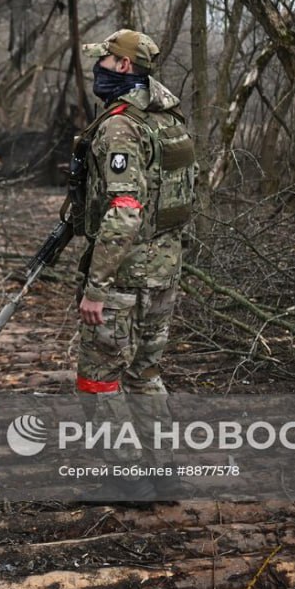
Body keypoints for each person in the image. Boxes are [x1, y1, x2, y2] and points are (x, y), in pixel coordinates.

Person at [70, 29, 197, 499]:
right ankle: (163, 472)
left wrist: (95, 287)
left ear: (123, 66)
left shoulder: (121, 127)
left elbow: (125, 209)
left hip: (125, 276)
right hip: (164, 272)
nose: (97, 68)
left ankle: (126, 479)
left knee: (97, 378)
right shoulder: (167, 116)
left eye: (103, 60)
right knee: (145, 372)